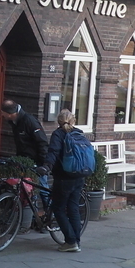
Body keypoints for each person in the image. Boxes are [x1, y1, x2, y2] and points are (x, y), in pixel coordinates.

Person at [38, 108, 86, 252]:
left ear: (58, 121)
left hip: (64, 178)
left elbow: (53, 152)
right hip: (79, 176)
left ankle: (70, 241)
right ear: (73, 120)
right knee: (73, 208)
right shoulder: (79, 133)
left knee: (59, 208)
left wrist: (46, 167)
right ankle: (76, 241)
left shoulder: (58, 134)